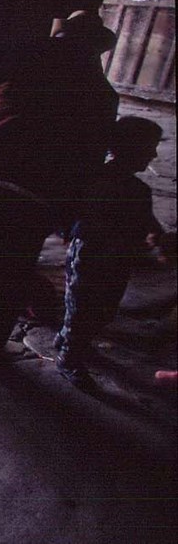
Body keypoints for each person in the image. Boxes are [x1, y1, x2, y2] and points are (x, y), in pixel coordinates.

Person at [0, 9, 120, 370]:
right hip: (35, 195)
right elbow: (88, 158)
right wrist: (67, 212)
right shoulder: (101, 93)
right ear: (95, 47)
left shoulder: (14, 54)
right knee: (9, 271)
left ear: (61, 33)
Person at [54, 117, 172, 389]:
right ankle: (68, 356)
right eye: (149, 147)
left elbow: (147, 221)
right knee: (82, 308)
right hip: (90, 257)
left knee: (101, 309)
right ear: (131, 148)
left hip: (117, 260)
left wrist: (156, 237)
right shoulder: (100, 182)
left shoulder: (136, 189)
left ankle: (70, 340)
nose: (154, 155)